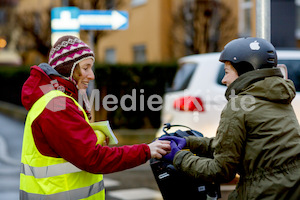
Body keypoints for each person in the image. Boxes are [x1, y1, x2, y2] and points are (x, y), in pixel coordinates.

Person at [20, 35, 171, 200]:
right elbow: (92, 158)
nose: (91, 75)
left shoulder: (52, 100)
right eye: (85, 68)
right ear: (68, 69)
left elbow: (70, 144)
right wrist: (146, 150)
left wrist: (94, 136)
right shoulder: (57, 105)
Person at [160, 37, 300, 199]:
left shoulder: (239, 106)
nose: (223, 79)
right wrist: (191, 142)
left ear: (245, 71)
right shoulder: (278, 97)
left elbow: (220, 171)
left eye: (227, 72)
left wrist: (179, 157)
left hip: (263, 192)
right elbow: (238, 147)